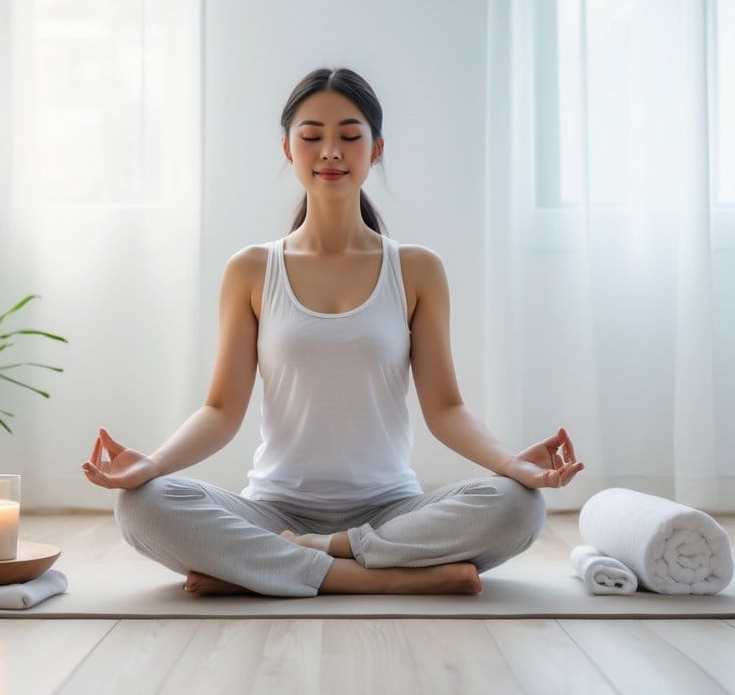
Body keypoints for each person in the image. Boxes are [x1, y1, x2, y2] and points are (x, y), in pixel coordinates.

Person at [82, 68, 583, 597]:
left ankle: (301, 561)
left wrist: (511, 464)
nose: (330, 152)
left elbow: (445, 409)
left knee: (519, 506)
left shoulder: (417, 269)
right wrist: (152, 465)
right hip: (274, 510)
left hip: (389, 511)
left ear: (377, 147)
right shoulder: (251, 269)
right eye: (311, 136)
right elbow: (221, 410)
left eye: (349, 136)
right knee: (141, 505)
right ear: (286, 148)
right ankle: (381, 580)